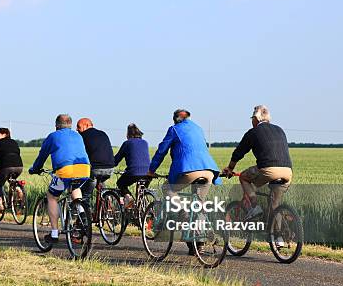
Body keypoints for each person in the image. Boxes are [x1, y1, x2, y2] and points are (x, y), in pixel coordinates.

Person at [148, 109, 221, 255]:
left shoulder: (174, 129)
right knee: (199, 203)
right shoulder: (198, 129)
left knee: (168, 188)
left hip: (190, 170)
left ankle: (184, 212)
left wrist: (151, 170)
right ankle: (198, 244)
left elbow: (162, 150)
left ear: (175, 119)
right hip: (208, 170)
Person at [222, 105, 293, 225]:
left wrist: (230, 168)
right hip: (287, 171)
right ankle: (278, 237)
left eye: (252, 118)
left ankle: (254, 207)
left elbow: (239, 152)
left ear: (256, 118)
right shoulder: (280, 129)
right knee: (275, 205)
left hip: (268, 169)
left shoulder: (253, 132)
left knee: (244, 177)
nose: (251, 121)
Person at [29, 114, 90, 244]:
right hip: (84, 169)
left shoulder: (53, 136)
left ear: (56, 125)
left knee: (51, 196)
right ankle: (82, 213)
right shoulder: (78, 135)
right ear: (71, 125)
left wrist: (34, 169)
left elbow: (42, 156)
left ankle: (54, 234)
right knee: (75, 187)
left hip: (65, 170)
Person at [77, 118, 115, 202]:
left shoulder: (82, 136)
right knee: (101, 184)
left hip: (95, 169)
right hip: (110, 168)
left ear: (86, 125)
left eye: (78, 127)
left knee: (85, 193)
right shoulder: (103, 133)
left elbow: (79, 154)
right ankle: (107, 205)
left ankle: (84, 213)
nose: (77, 129)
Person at [0, 127, 24, 212]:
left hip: (6, 166)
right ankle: (18, 189)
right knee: (12, 181)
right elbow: (17, 152)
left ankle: (0, 205)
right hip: (19, 166)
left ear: (5, 134)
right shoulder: (14, 142)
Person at [113, 123, 150, 208]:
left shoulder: (127, 143)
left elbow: (117, 159)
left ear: (128, 134)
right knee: (142, 191)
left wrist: (110, 164)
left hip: (133, 172)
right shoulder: (145, 142)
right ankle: (143, 210)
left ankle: (129, 198)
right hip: (148, 173)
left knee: (120, 183)